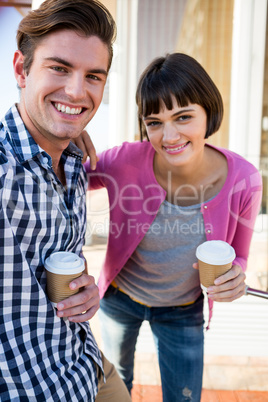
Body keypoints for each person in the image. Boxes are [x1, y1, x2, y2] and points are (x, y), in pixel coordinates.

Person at [84, 53, 263, 401]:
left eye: (183, 117)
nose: (169, 136)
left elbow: (238, 256)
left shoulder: (245, 179)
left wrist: (235, 277)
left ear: (208, 112)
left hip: (184, 310)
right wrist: (68, 142)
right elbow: (68, 176)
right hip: (120, 300)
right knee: (116, 387)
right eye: (154, 122)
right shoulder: (124, 160)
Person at [0, 1, 132, 401]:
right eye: (59, 68)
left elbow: (49, 260)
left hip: (86, 361)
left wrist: (85, 289)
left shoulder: (74, 161)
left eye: (93, 76)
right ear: (22, 70)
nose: (77, 91)